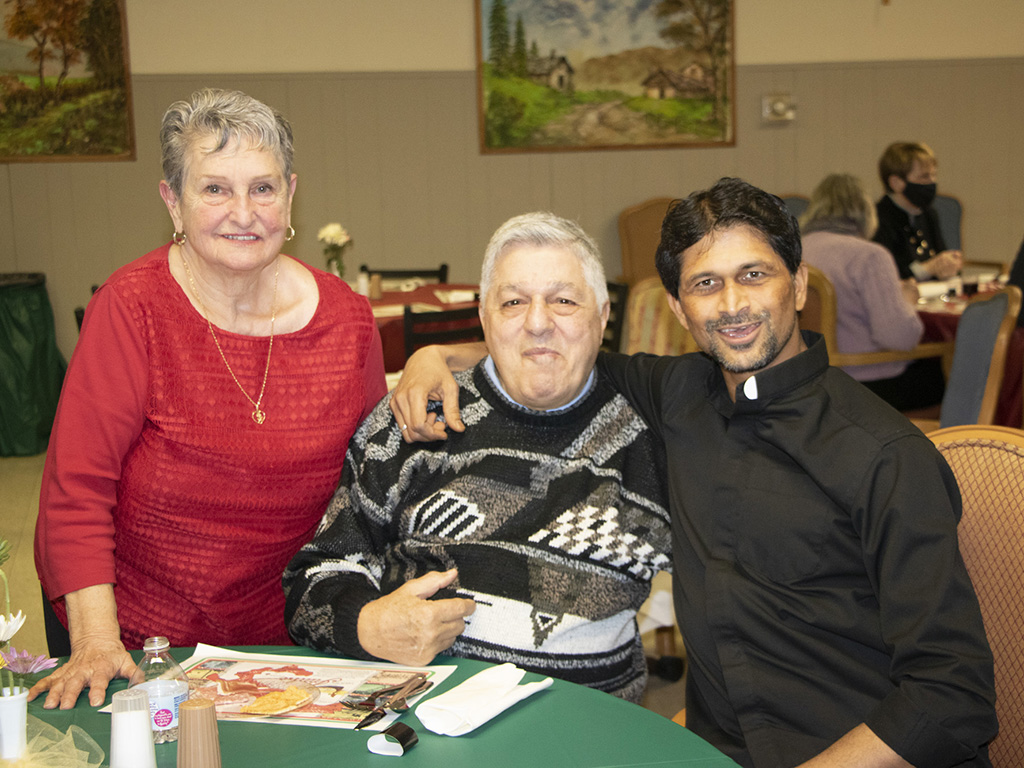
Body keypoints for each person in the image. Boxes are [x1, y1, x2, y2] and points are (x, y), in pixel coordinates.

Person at [391, 180, 997, 767]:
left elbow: (952, 697)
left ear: (800, 285)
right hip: (714, 752)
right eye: (706, 284)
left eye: (754, 275)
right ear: (680, 308)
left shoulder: (884, 454)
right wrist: (431, 358)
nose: (733, 306)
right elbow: (556, 345)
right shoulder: (680, 393)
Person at [32, 89, 387, 710]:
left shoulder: (350, 322)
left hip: (298, 647)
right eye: (214, 189)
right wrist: (94, 639)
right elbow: (76, 491)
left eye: (263, 188)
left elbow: (374, 488)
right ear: (173, 201)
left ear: (291, 193)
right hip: (144, 646)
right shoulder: (132, 309)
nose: (242, 213)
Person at [283, 212, 671, 702]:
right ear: (484, 316)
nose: (537, 322)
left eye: (564, 300)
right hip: (421, 734)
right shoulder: (416, 417)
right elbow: (311, 580)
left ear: (602, 315)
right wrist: (364, 622)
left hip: (588, 740)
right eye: (513, 302)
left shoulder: (653, 436)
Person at [801, 172, 944, 411]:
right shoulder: (869, 256)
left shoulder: (793, 252)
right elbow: (900, 338)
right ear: (865, 211)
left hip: (810, 381)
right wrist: (906, 301)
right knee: (952, 366)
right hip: (868, 382)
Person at [873, 141, 963, 281]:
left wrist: (950, 265)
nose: (932, 182)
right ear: (896, 183)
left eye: (934, 175)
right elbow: (886, 275)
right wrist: (927, 269)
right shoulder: (878, 219)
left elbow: (940, 255)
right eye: (924, 177)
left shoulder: (928, 214)